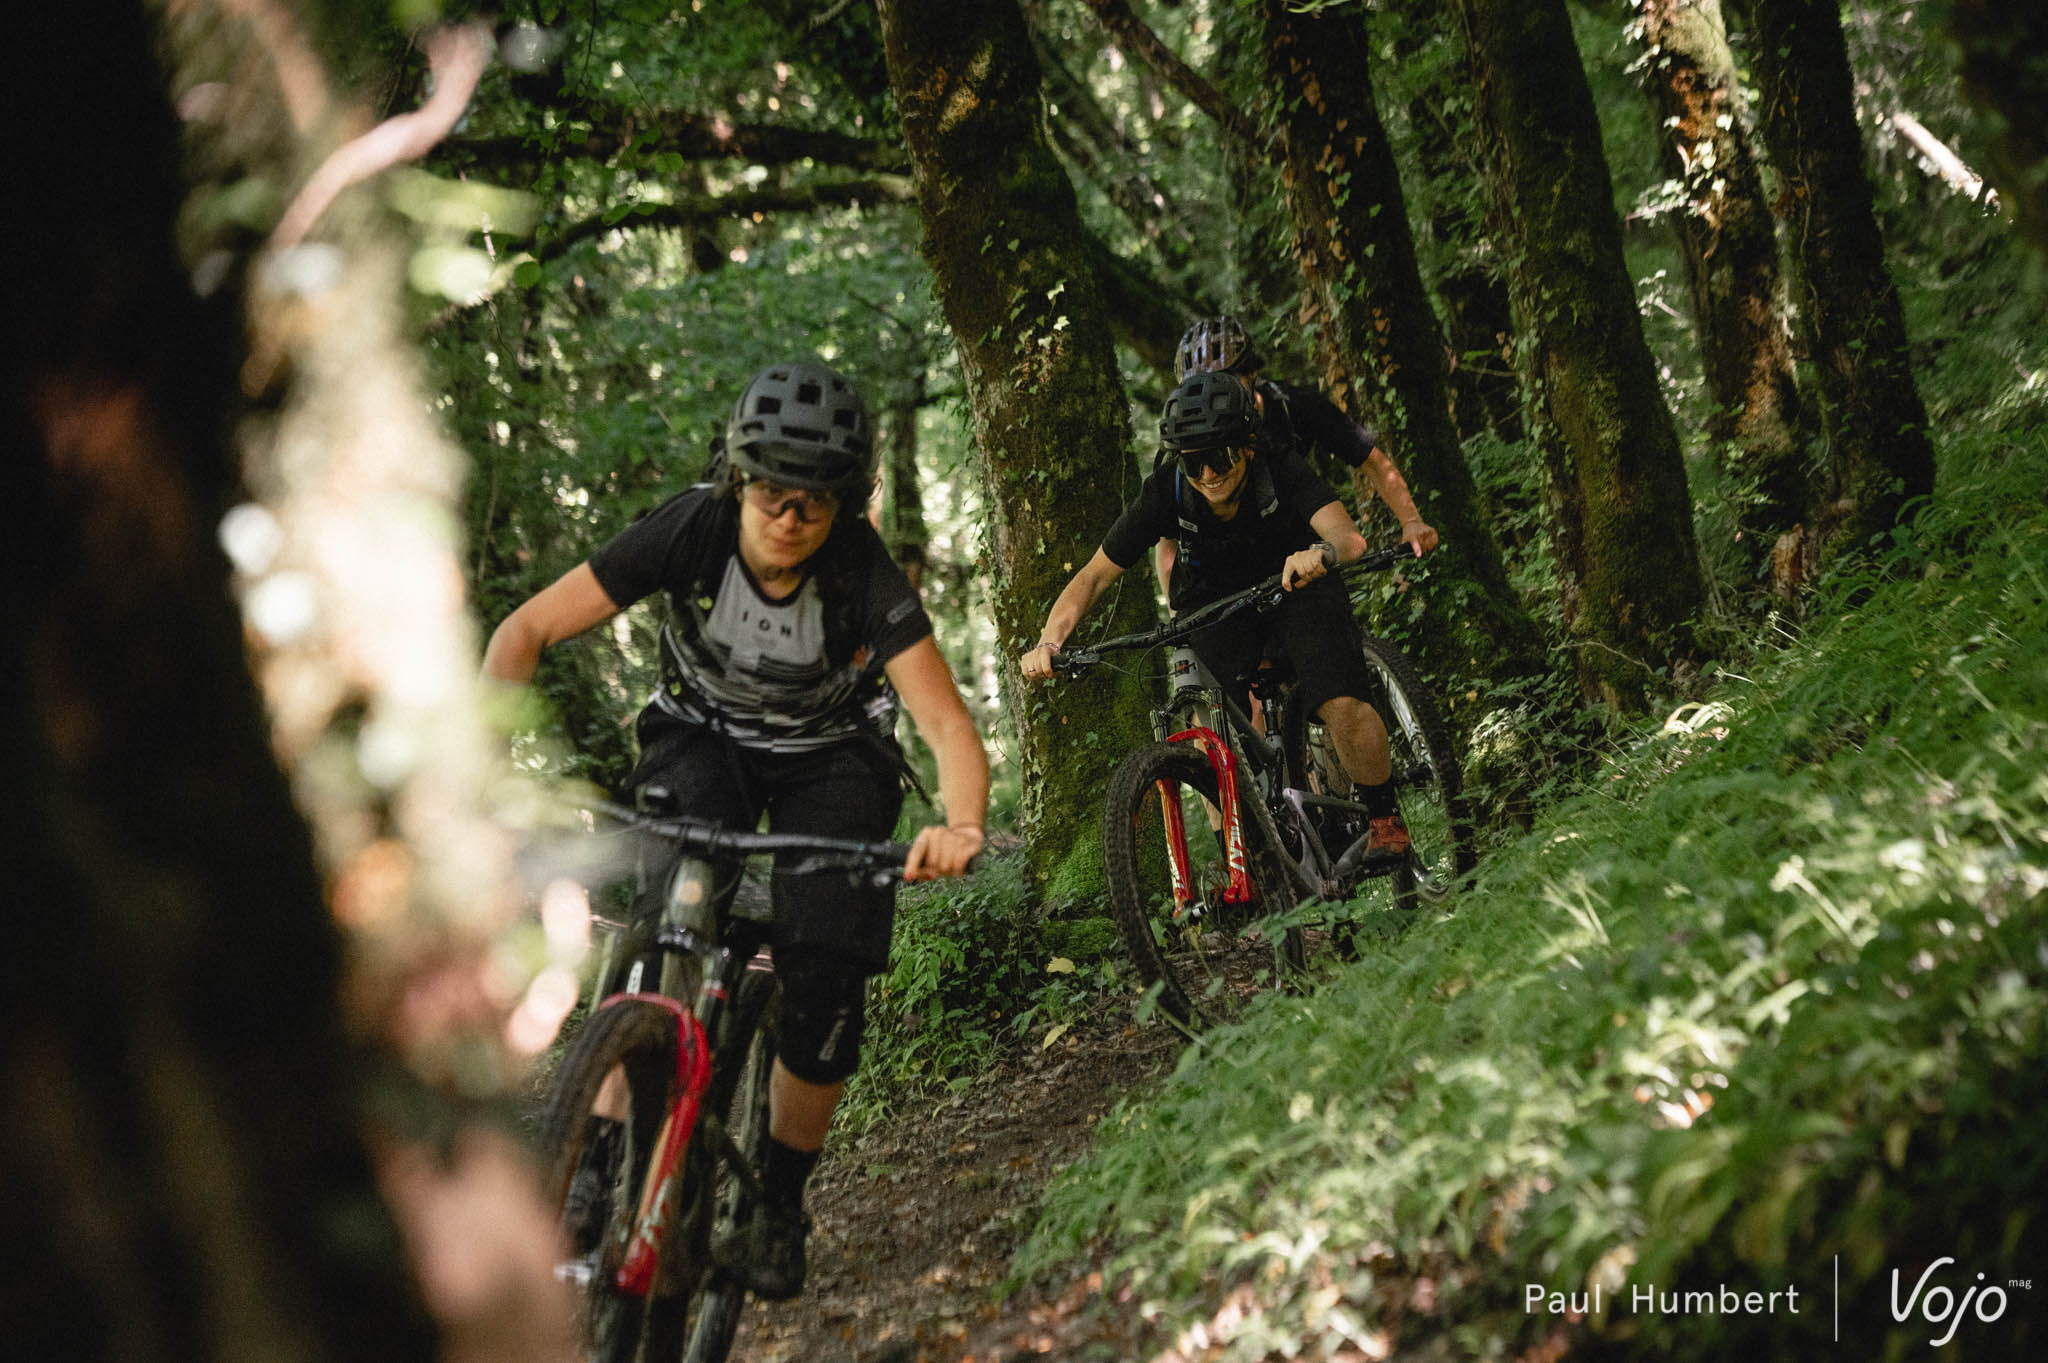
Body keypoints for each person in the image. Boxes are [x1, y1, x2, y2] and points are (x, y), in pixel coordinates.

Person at [484, 360, 987, 1301]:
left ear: (844, 504)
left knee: (824, 969)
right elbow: (523, 633)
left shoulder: (861, 574)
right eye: (769, 492)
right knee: (661, 922)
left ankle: (779, 1204)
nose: (788, 517)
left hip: (833, 758)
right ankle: (597, 1156)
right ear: (736, 477)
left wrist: (962, 824)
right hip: (702, 738)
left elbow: (948, 726)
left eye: (814, 500)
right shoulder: (692, 529)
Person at [1019, 370, 1412, 858]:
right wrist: (1049, 641)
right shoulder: (1165, 491)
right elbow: (1094, 576)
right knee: (1211, 738)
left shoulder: (1280, 465)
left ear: (1247, 446)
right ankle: (1249, 861)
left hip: (1298, 584)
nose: (1207, 474)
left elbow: (1348, 538)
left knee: (1341, 701)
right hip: (1214, 604)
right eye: (1193, 462)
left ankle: (1383, 817)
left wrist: (1322, 553)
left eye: (1220, 457)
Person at [1159, 316, 1438, 591]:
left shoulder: (1294, 407)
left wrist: (1411, 522)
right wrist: (1174, 611)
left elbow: (1369, 458)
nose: (1215, 395)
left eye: (1226, 380)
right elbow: (1164, 529)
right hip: (1225, 566)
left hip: (1297, 549)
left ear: (1252, 373)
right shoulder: (1183, 439)